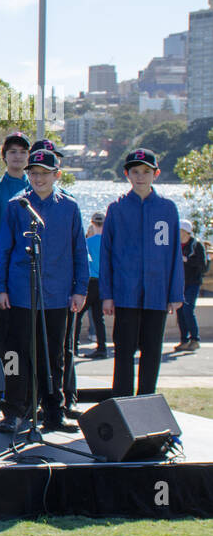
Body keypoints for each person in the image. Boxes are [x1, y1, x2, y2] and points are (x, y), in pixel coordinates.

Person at [0, 149, 88, 432]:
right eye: (33, 173)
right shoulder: (16, 206)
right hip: (22, 292)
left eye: (45, 173)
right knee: (17, 354)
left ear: (56, 175)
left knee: (54, 355)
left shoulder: (69, 207)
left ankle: (53, 411)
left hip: (57, 294)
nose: (38, 178)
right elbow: (4, 250)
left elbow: (79, 251)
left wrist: (79, 289)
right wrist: (1, 288)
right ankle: (15, 410)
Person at [100, 149, 184, 398]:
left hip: (157, 294)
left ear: (156, 174)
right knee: (124, 351)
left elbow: (173, 255)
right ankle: (122, 403)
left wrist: (175, 292)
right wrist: (107, 294)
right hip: (125, 293)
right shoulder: (116, 209)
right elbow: (106, 255)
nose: (140, 176)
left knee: (152, 351)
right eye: (135, 171)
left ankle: (147, 402)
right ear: (127, 174)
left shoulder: (168, 209)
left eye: (146, 171)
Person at [0, 131, 31, 375]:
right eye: (12, 151)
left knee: (24, 330)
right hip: (2, 267)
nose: (18, 156)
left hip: (26, 268)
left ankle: (21, 384)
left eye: (23, 152)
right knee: (0, 328)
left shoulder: (34, 186)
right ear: (4, 155)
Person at [74, 211, 108, 359]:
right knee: (98, 317)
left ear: (92, 223)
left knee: (79, 314)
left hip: (90, 282)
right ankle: (102, 347)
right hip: (103, 283)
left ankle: (73, 345)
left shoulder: (87, 242)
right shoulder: (108, 243)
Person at [177, 219, 207, 352]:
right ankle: (184, 339)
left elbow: (203, 265)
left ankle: (195, 339)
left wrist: (187, 260)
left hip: (193, 282)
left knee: (188, 309)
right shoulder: (176, 245)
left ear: (186, 232)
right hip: (180, 282)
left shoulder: (196, 245)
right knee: (179, 311)